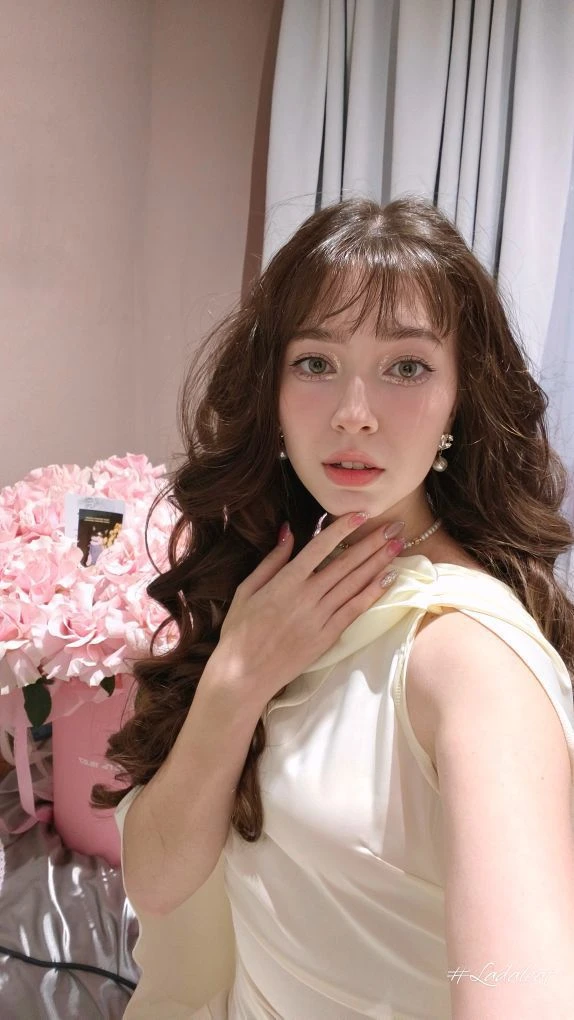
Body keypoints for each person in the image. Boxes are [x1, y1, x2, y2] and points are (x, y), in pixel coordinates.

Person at [93, 197, 574, 1018]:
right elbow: (158, 882)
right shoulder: (279, 590)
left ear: (460, 400)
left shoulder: (469, 661)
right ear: (272, 390)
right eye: (316, 362)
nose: (354, 412)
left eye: (407, 368)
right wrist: (237, 680)